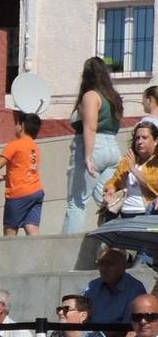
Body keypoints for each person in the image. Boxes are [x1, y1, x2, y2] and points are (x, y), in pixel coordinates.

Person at [64, 56, 124, 235]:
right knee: (105, 199)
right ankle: (118, 237)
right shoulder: (113, 97)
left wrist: (88, 157)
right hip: (112, 147)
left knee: (76, 202)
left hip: (93, 147)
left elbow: (90, 127)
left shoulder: (91, 95)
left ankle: (66, 250)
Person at [0, 112, 44, 237]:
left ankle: (9, 256)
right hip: (36, 191)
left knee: (10, 232)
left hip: (18, 195)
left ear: (22, 126)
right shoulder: (34, 146)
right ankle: (39, 255)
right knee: (32, 228)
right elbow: (24, 169)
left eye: (16, 123)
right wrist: (6, 177)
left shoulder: (14, 145)